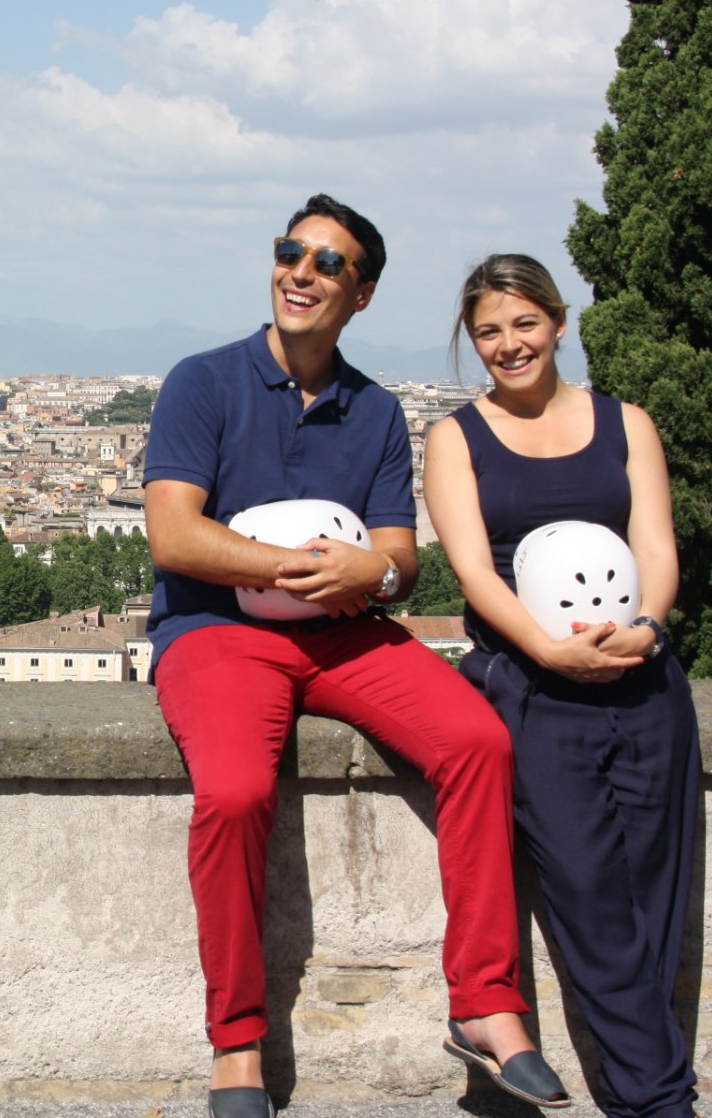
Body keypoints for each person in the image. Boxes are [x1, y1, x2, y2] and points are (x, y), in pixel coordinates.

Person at [144, 197, 570, 1118]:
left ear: (361, 293)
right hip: (217, 632)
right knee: (234, 793)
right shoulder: (202, 382)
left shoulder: (376, 411)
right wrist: (298, 567)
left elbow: (401, 563)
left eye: (327, 263)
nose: (301, 271)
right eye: (290, 251)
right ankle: (238, 1043)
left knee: (478, 742)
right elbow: (175, 537)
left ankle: (489, 1006)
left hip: (345, 634)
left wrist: (367, 572)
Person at [422, 253, 702, 1118]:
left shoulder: (628, 424)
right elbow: (475, 572)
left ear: (558, 321)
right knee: (587, 897)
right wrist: (550, 650)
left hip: (643, 681)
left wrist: (647, 626)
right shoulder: (455, 438)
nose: (509, 345)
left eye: (523, 324)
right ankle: (662, 1104)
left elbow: (656, 547)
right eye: (489, 333)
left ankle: (644, 1095)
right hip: (531, 689)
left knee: (659, 897)